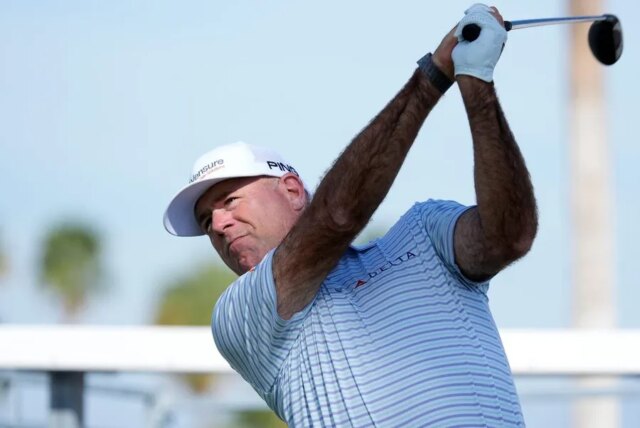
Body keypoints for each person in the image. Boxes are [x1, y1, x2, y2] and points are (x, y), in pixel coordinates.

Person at [164, 4, 537, 427]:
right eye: (205, 221)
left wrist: (476, 81)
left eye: (229, 200)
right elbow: (337, 217)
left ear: (292, 191)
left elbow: (510, 237)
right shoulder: (238, 314)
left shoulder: (426, 234)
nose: (217, 225)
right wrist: (433, 75)